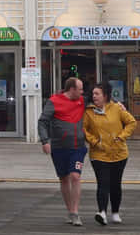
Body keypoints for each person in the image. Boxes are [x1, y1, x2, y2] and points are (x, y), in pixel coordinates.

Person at [83, 83, 137, 226]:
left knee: (115, 184)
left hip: (119, 153)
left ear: (105, 95)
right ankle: (101, 212)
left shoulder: (117, 108)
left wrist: (121, 137)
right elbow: (84, 130)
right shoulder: (88, 112)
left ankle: (115, 212)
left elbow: (131, 122)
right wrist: (95, 142)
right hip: (99, 154)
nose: (94, 96)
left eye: (97, 94)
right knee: (103, 183)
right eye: (93, 94)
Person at [38, 77, 87, 226]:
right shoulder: (54, 101)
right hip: (59, 147)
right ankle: (70, 211)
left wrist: (118, 105)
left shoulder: (82, 101)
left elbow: (101, 101)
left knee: (75, 176)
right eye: (80, 89)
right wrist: (45, 141)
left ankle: (75, 212)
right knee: (64, 179)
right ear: (72, 89)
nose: (82, 92)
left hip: (78, 147)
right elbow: (42, 122)